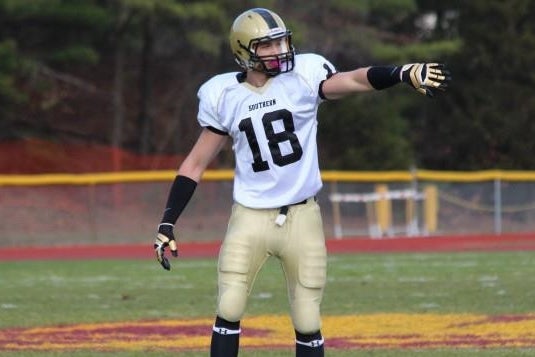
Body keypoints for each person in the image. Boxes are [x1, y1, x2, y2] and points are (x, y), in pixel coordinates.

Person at [153, 7, 450, 357]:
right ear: (244, 51)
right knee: (229, 305)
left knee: (308, 317)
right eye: (268, 44)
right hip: (249, 216)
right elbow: (196, 163)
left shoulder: (304, 75)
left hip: (302, 216)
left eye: (282, 41)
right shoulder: (222, 95)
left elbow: (354, 79)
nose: (281, 50)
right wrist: (169, 219)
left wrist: (400, 72)